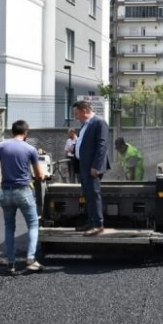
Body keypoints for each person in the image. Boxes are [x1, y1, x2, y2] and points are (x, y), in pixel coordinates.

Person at [0, 120, 45, 274]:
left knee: (9, 227)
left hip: (5, 192)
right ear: (26, 133)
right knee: (33, 224)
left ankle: (11, 263)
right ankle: (30, 259)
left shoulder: (0, 146)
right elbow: (39, 174)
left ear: (12, 132)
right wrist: (43, 176)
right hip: (23, 191)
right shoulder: (30, 149)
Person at [72, 101, 111, 236]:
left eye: (76, 113)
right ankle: (91, 220)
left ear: (84, 111)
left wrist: (96, 166)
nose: (75, 117)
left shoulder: (99, 122)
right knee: (87, 194)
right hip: (83, 165)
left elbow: (102, 145)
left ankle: (98, 224)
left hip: (92, 167)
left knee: (93, 194)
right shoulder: (85, 125)